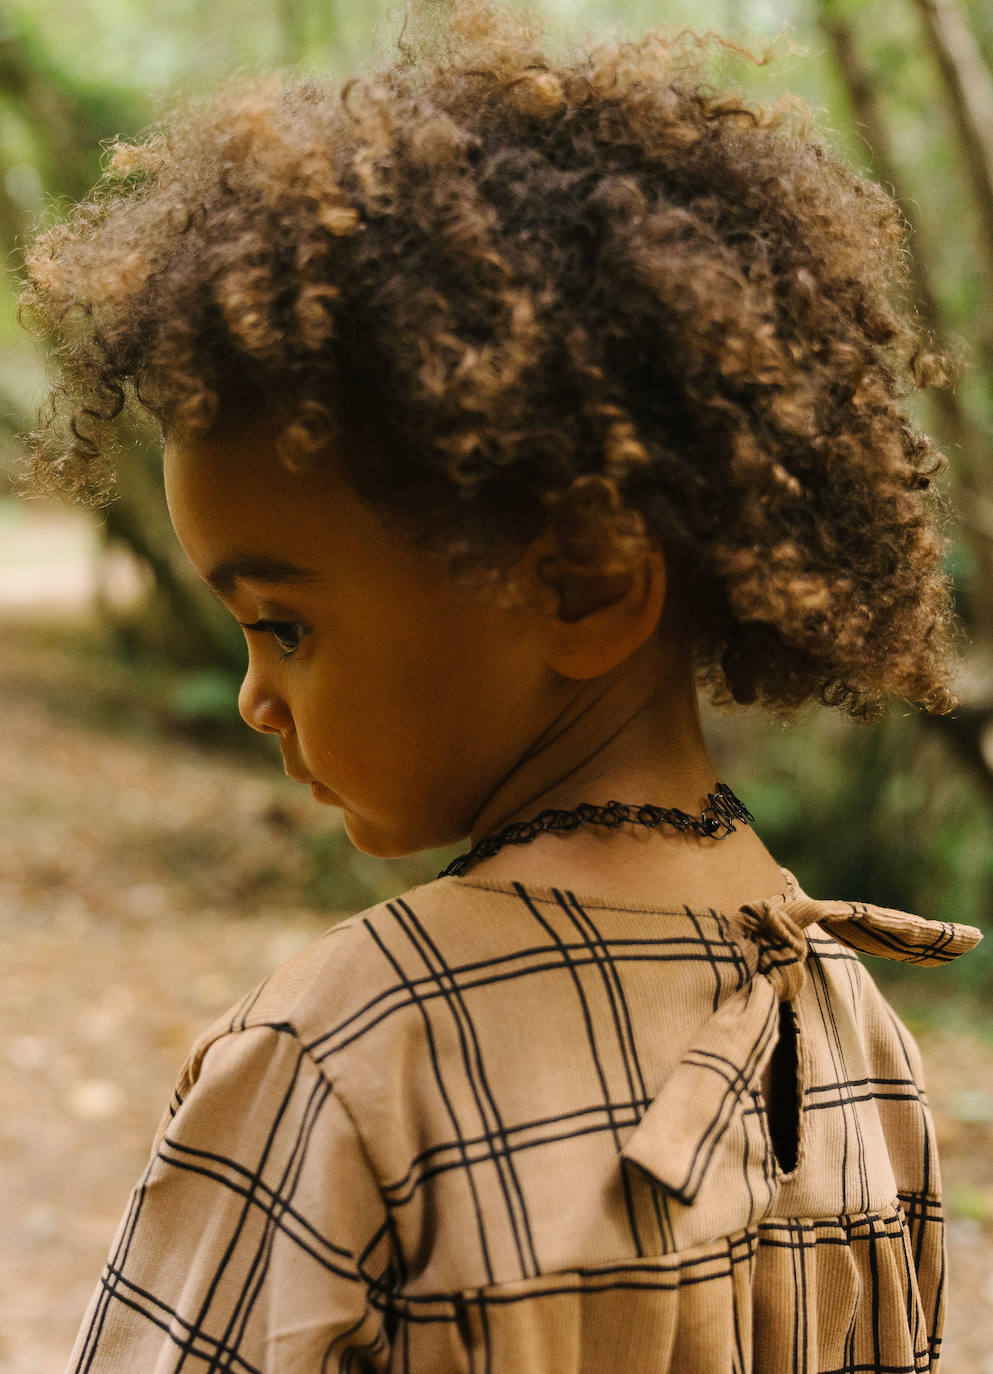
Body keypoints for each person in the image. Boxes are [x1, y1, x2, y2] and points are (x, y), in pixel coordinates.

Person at [21, 2, 982, 1369]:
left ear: (585, 582)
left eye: (283, 622)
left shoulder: (349, 1055)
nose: (253, 695)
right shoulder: (855, 1029)